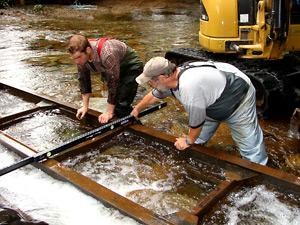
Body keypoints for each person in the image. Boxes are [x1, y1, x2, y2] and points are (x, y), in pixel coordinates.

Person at [131, 56, 268, 165]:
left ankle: (259, 167)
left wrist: (188, 141)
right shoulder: (171, 82)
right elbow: (153, 96)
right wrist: (137, 109)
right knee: (198, 135)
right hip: (213, 96)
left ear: (162, 77)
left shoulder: (189, 86)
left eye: (151, 81)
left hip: (237, 92)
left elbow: (196, 121)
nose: (150, 85)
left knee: (247, 137)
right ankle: (198, 143)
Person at [67, 34, 143, 123]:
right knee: (114, 101)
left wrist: (109, 112)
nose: (77, 61)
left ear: (88, 50)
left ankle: (136, 126)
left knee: (121, 104)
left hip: (130, 67)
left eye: (79, 57)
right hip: (112, 67)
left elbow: (113, 83)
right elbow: (84, 81)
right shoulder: (81, 57)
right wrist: (85, 106)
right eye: (74, 58)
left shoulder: (107, 53)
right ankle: (126, 118)